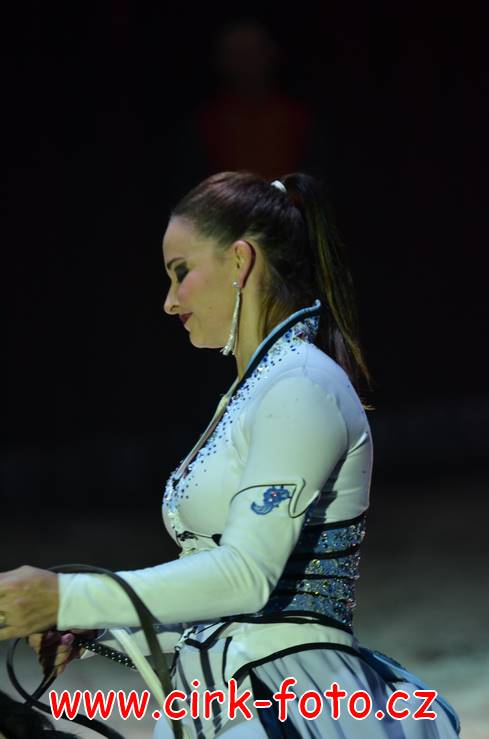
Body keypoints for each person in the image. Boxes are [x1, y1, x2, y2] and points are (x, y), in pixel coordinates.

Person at [0, 172, 460, 738]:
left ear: (240, 261)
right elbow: (229, 614)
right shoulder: (258, 390)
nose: (170, 301)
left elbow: (246, 578)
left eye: (181, 272)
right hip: (223, 700)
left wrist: (68, 597)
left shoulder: (301, 385)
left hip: (288, 699)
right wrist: (102, 627)